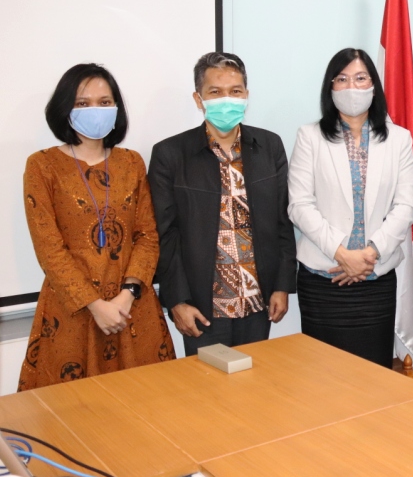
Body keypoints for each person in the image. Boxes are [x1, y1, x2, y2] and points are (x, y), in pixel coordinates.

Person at [19, 63, 175, 390]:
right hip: (73, 311)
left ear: (116, 108)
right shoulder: (42, 165)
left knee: (145, 404)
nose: (95, 110)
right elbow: (49, 248)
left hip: (131, 309)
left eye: (104, 102)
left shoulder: (131, 162)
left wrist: (127, 296)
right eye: (82, 103)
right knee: (73, 410)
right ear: (65, 109)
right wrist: (95, 305)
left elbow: (147, 236)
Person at [149, 52, 296, 356]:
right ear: (198, 98)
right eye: (215, 92)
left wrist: (282, 285)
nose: (226, 100)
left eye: (235, 91)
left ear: (246, 96)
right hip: (202, 308)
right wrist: (177, 300)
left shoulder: (269, 146)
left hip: (258, 302)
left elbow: (283, 221)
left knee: (257, 382)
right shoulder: (170, 154)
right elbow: (165, 235)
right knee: (206, 386)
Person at [288, 48, 413, 368]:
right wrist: (342, 254)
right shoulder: (309, 136)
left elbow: (406, 206)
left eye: (360, 78)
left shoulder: (399, 139)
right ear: (330, 87)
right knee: (322, 376)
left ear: (374, 85)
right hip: (323, 279)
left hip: (376, 278)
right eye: (342, 79)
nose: (352, 87)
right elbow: (299, 205)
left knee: (374, 376)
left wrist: (369, 254)